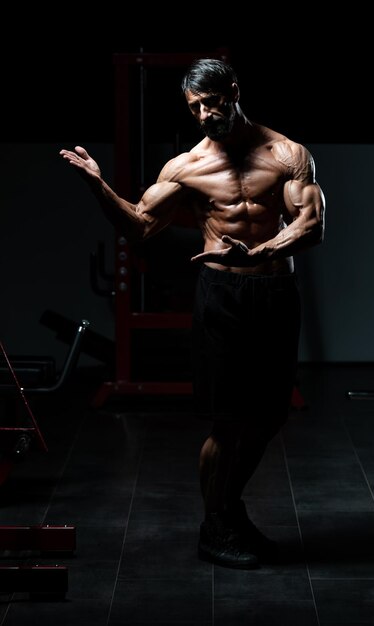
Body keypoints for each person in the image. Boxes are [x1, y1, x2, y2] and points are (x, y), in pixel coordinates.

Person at [60, 57, 325, 570]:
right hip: (222, 297)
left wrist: (263, 251)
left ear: (234, 90)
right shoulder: (187, 167)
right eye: (194, 107)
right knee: (229, 422)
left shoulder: (288, 154)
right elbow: (139, 226)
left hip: (274, 294)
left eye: (212, 101)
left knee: (269, 417)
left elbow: (311, 225)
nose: (205, 114)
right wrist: (98, 184)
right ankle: (217, 524)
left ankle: (229, 509)